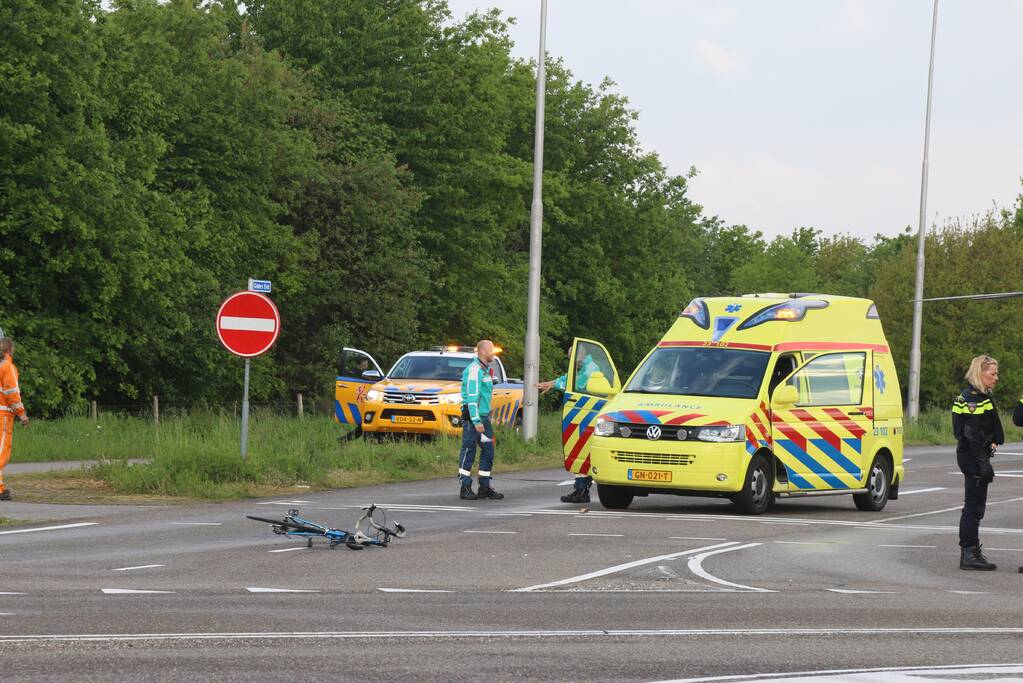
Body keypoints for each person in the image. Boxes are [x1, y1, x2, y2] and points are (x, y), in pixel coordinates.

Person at [951, 354, 1002, 571]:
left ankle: (971, 551)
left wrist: (991, 442)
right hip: (973, 458)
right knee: (973, 506)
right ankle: (970, 554)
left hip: (975, 456)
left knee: (974, 505)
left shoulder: (979, 396)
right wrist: (983, 465)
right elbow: (970, 435)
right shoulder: (972, 399)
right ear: (980, 374)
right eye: (992, 373)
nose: (996, 378)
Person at [539, 348, 601, 504]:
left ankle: (582, 490)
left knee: (582, 452)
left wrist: (555, 384)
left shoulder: (590, 369)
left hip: (588, 416)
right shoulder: (582, 367)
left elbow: (575, 384)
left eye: (572, 358)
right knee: (578, 453)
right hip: (581, 415)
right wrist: (551, 384)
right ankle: (580, 489)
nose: (571, 362)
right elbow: (567, 378)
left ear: (579, 356)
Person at [457, 340, 503, 500]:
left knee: (488, 450)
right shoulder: (474, 370)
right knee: (469, 450)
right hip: (473, 418)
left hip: (483, 418)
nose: (494, 354)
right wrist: (476, 421)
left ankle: (484, 486)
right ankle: (465, 486)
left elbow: (483, 396)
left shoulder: (484, 370)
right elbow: (472, 397)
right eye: (492, 350)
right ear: (483, 352)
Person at [0, 334, 29, 502]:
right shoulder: (7, 367)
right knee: (2, 452)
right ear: (9, 350)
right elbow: (12, 394)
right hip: (2, 415)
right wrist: (22, 414)